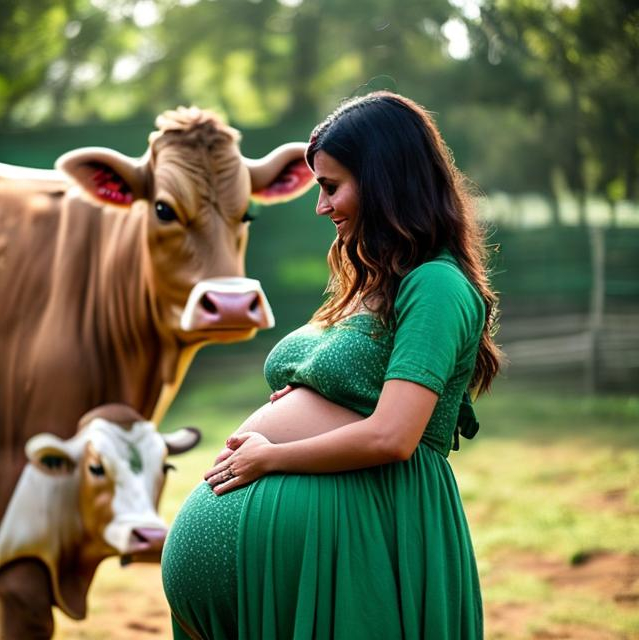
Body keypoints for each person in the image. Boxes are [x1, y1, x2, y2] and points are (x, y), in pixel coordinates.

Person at [161, 90, 501, 640]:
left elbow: (393, 435)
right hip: (295, 554)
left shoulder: (436, 284)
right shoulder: (372, 285)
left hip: (368, 533)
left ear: (387, 180)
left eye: (331, 187)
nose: (321, 207)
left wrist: (272, 458)